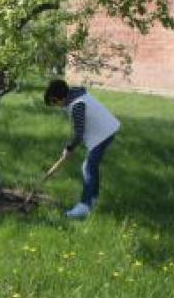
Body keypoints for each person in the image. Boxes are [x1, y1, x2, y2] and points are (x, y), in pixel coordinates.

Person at [44, 79, 120, 219]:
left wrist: (69, 148)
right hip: (108, 129)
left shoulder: (77, 105)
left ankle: (84, 206)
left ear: (57, 98)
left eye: (54, 103)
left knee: (88, 167)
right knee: (91, 166)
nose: (57, 107)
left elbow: (79, 133)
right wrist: (69, 148)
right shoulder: (75, 95)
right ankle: (93, 198)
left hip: (104, 133)